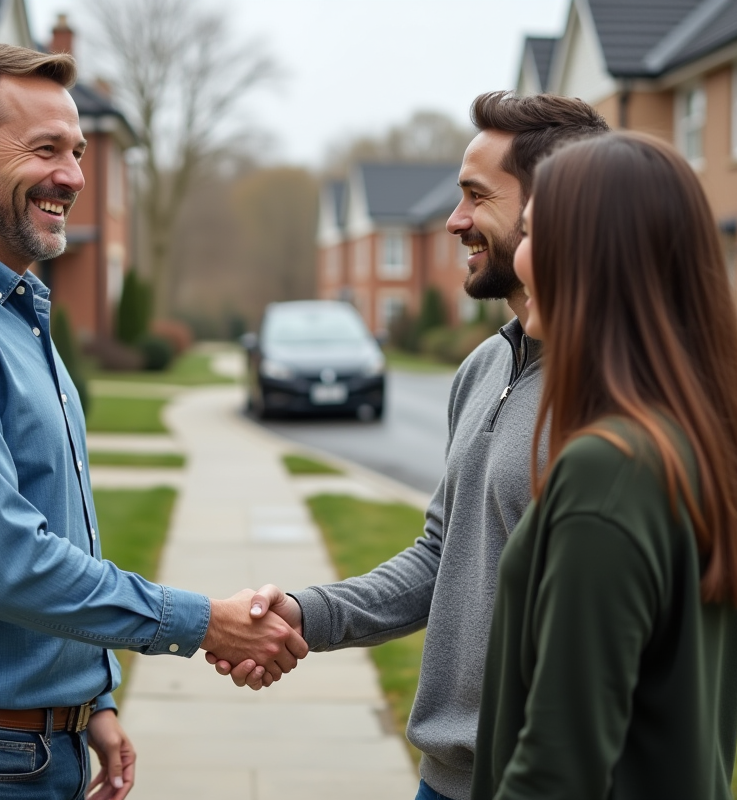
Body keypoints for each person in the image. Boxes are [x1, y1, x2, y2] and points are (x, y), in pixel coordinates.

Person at [0, 44, 307, 800]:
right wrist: (202, 623)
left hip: (21, 748)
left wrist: (93, 697)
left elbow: (55, 535)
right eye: (46, 149)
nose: (75, 176)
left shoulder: (11, 315)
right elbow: (6, 566)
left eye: (80, 152)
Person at [208, 92, 609, 800]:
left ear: (555, 208)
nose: (454, 221)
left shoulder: (610, 396)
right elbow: (442, 554)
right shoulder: (483, 369)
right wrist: (307, 613)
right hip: (445, 778)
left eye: (475, 197)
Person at [470, 132, 737, 799]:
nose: (520, 259)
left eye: (532, 235)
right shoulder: (700, 442)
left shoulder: (607, 473)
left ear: (592, 258)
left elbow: (558, 772)